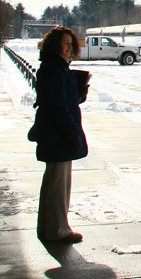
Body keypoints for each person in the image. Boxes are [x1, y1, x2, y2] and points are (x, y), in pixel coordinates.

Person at [30, 27, 88, 243]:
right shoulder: (54, 69)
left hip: (56, 132)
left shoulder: (56, 67)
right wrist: (73, 133)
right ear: (54, 45)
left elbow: (63, 100)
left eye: (71, 44)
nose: (69, 47)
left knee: (53, 183)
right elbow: (57, 106)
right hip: (59, 134)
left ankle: (47, 228)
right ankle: (58, 231)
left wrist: (79, 92)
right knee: (58, 185)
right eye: (65, 43)